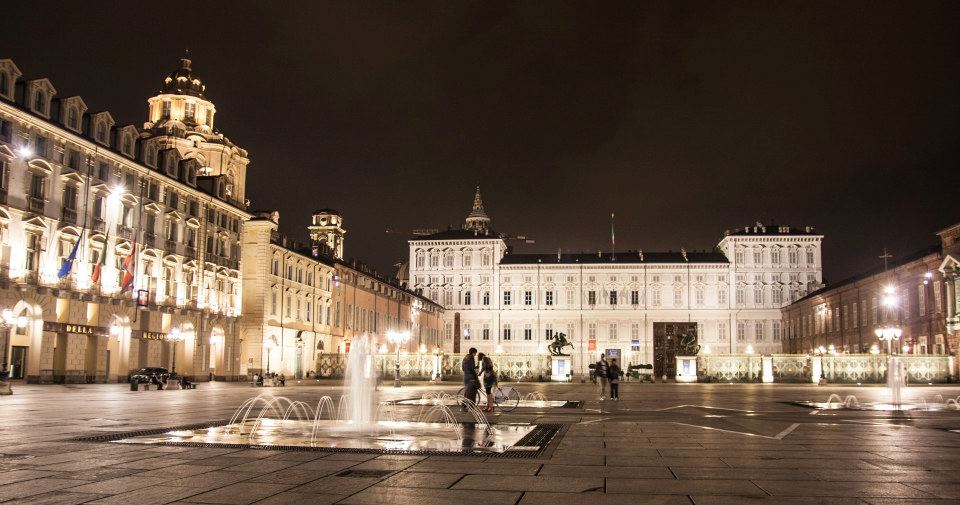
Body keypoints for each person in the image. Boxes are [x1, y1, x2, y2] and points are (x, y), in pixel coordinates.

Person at [461, 347, 480, 411]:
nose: (475, 355)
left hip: (466, 377)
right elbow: (472, 368)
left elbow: (463, 368)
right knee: (472, 393)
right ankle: (470, 406)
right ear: (473, 353)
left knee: (467, 393)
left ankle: (464, 406)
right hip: (471, 377)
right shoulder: (471, 358)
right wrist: (475, 377)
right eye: (475, 353)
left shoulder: (465, 358)